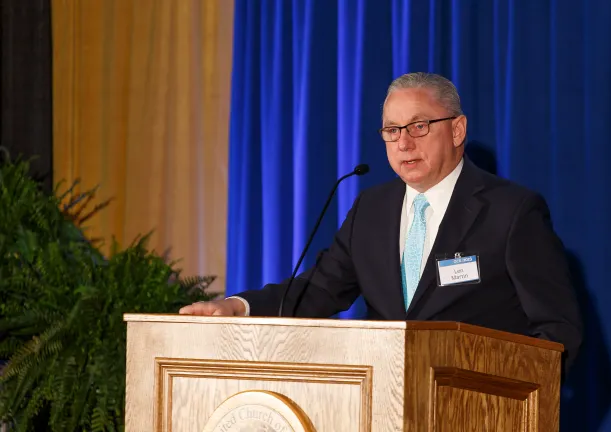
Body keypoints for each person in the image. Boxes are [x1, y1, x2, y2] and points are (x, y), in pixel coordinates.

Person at [180, 72, 583, 370]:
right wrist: (239, 306)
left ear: (458, 130)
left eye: (419, 126)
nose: (404, 142)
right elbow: (317, 291)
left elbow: (558, 332)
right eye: (392, 130)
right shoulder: (371, 210)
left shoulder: (511, 211)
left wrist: (504, 389)